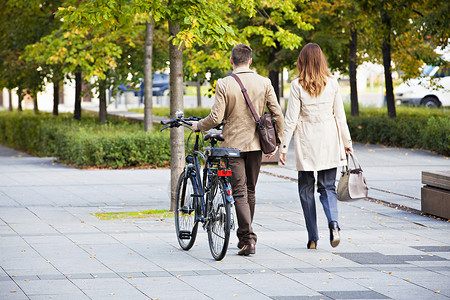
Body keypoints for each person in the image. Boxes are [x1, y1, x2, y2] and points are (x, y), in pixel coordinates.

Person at [192, 44, 284, 256]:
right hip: (256, 145)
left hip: (232, 146)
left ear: (231, 61)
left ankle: (248, 239)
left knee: (240, 192)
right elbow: (277, 114)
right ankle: (245, 238)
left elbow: (216, 118)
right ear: (250, 61)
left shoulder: (224, 83)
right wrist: (277, 142)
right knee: (249, 190)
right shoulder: (264, 82)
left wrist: (199, 126)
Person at [279, 43, 352, 249]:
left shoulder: (297, 85)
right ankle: (334, 224)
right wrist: (347, 144)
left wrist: (283, 148)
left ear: (302, 61)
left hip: (307, 144)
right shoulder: (333, 83)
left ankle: (313, 237)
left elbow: (291, 119)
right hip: (329, 141)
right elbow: (340, 117)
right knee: (328, 188)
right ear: (321, 61)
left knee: (305, 190)